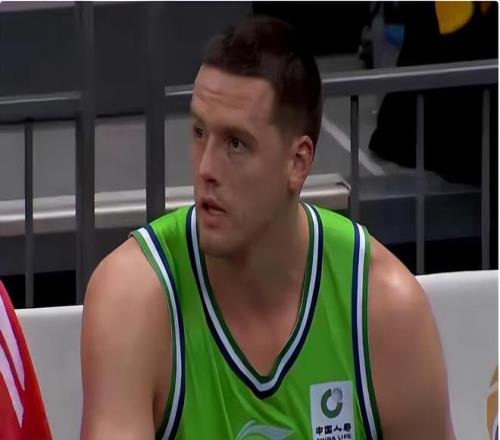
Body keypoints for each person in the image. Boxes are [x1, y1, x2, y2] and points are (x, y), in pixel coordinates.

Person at [81, 16, 454, 440]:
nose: (206, 169)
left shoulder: (384, 307)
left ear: (298, 162)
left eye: (235, 143)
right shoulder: (133, 297)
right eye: (199, 132)